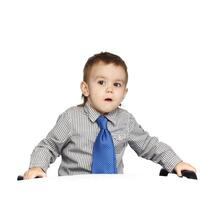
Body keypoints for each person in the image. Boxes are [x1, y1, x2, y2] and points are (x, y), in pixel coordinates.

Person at [23, 52, 196, 179]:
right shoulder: (71, 118)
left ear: (124, 93)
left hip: (113, 192)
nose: (110, 89)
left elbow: (149, 145)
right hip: (73, 191)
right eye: (101, 82)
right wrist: (37, 168)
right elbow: (49, 146)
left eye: (117, 84)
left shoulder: (125, 120)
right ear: (85, 88)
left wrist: (175, 163)